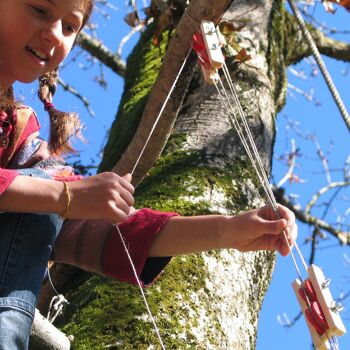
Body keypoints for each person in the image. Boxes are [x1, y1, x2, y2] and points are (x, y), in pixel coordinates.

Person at [0, 0, 297, 349]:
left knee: (39, 199)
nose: (54, 34)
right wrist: (64, 197)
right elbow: (59, 200)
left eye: (69, 27)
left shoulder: (18, 138)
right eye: (39, 10)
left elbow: (99, 230)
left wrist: (227, 230)